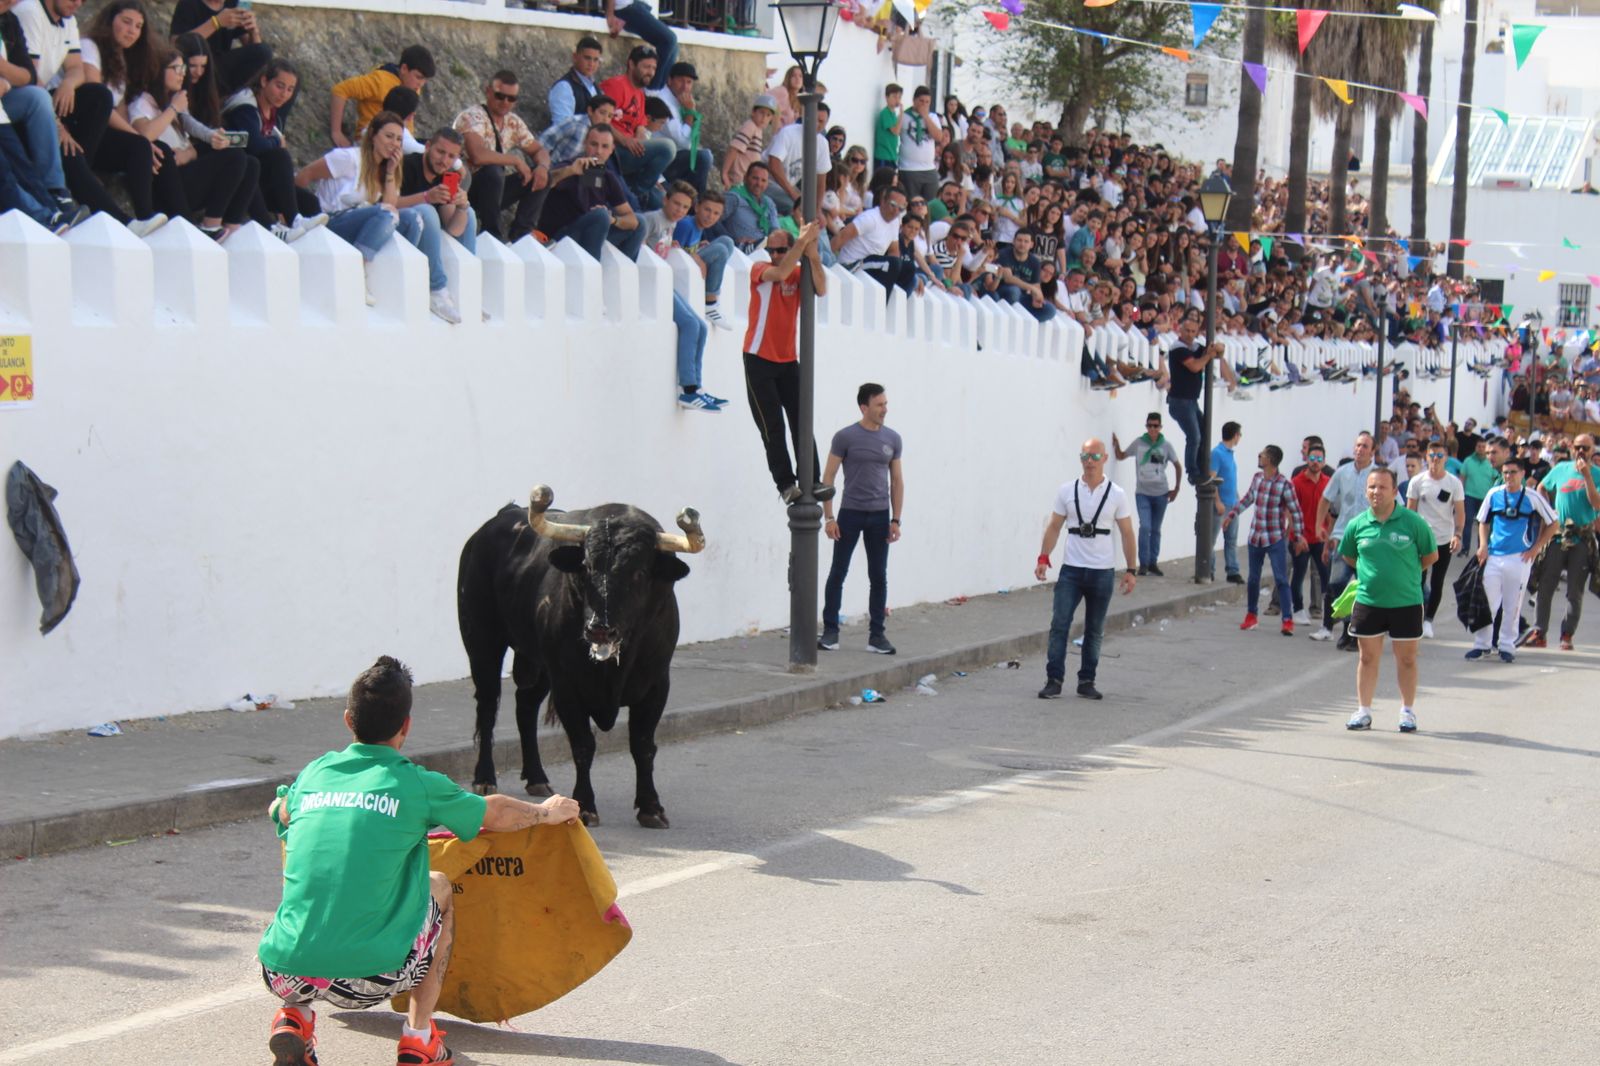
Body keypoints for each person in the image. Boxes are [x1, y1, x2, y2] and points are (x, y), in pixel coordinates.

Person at [258, 655, 581, 1066]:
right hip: (374, 977)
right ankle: (418, 1037)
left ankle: (294, 1019)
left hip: (283, 970)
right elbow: (494, 813)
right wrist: (546, 811)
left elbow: (282, 811)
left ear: (347, 720)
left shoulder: (314, 774)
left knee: (319, 886)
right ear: (406, 726)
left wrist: (280, 805)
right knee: (440, 885)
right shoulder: (414, 783)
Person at [1034, 439, 1138, 700]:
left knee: (1095, 629)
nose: (1089, 460)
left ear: (1104, 459)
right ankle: (1054, 679)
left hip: (1102, 571)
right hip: (1072, 570)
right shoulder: (1067, 491)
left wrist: (1131, 569)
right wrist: (1043, 557)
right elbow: (1054, 526)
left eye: (1094, 456)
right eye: (1084, 455)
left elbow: (1127, 533)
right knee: (1059, 624)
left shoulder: (1117, 494)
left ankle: (1087, 681)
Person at [1337, 467, 1438, 733]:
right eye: (1371, 487)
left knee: (1406, 659)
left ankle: (1407, 712)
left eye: (1382, 487)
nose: (1376, 492)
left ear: (1395, 491)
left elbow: (1430, 556)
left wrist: (1405, 575)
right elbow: (1349, 556)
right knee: (1367, 657)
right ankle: (1363, 711)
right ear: (1365, 491)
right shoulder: (1357, 524)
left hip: (1406, 602)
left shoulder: (1413, 523)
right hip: (1369, 601)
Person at [743, 221, 832, 504]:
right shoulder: (760, 269)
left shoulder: (798, 273)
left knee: (801, 421)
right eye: (772, 250)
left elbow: (821, 288)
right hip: (758, 358)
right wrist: (801, 244)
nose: (776, 255)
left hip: (787, 359)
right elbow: (779, 272)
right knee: (772, 426)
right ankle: (785, 484)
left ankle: (813, 479)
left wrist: (812, 254)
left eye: (782, 249)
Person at [128, 45, 257, 240]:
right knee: (234, 157)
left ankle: (232, 226)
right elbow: (145, 134)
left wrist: (208, 139)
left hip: (186, 171)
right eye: (176, 69)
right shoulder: (143, 103)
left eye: (183, 70)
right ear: (158, 70)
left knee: (251, 163)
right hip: (166, 183)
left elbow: (192, 130)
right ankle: (210, 225)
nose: (182, 75)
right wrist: (173, 108)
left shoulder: (173, 102)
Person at [819, 382, 904, 656]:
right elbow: (828, 477)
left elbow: (897, 481)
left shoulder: (893, 439)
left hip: (880, 516)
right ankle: (830, 631)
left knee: (879, 576)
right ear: (864, 407)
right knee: (838, 572)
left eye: (886, 404)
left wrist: (896, 520)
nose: (885, 409)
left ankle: (877, 636)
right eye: (879, 405)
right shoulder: (845, 437)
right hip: (850, 514)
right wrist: (829, 517)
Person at [638, 180, 726, 411]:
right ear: (665, 200)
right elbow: (637, 249)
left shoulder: (672, 225)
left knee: (702, 326)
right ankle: (687, 389)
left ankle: (696, 387)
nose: (679, 210)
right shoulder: (652, 220)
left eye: (684, 207)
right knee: (689, 324)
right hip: (651, 285)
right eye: (676, 204)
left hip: (665, 282)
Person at [222, 57, 325, 239]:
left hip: (259, 177)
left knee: (310, 202)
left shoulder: (274, 116)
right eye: (280, 86)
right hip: (237, 175)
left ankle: (305, 240)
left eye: (290, 89)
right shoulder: (245, 106)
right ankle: (289, 221)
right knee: (279, 156)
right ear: (264, 81)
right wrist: (277, 142)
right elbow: (253, 144)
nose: (284, 94)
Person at [1468, 458, 1557, 662]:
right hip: (1494, 555)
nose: (1509, 476)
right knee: (1487, 603)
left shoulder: (1532, 497)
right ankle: (1482, 645)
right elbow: (1483, 521)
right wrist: (1482, 546)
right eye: (1506, 472)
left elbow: (1553, 523)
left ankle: (1507, 646)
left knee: (1512, 605)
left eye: (1513, 472)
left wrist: (1536, 548)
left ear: (1522, 474)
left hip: (1519, 558)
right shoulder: (1494, 494)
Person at [455, 70, 550, 243]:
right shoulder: (473, 117)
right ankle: (492, 236)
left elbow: (539, 151)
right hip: (466, 186)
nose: (505, 102)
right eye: (500, 96)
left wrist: (542, 168)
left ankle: (521, 235)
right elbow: (477, 155)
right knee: (493, 171)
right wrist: (515, 160)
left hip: (493, 189)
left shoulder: (513, 122)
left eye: (511, 99)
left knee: (542, 176)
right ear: (488, 91)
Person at [1223, 444, 1305, 635]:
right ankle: (1251, 615)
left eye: (1264, 454)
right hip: (1256, 536)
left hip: (1275, 537)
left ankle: (1287, 619)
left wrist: (1299, 536)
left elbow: (1295, 511)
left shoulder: (1284, 484)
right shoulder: (1257, 478)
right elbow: (1247, 499)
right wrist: (1232, 515)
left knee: (1281, 578)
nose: (1259, 456)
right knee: (1253, 579)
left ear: (1271, 460)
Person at [538, 121, 640, 261]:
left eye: (604, 147)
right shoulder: (571, 165)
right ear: (585, 143)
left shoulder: (608, 177)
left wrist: (614, 220)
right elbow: (546, 182)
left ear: (611, 150)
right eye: (594, 144)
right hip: (560, 237)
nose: (598, 151)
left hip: (591, 232)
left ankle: (615, 275)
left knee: (640, 223)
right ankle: (593, 272)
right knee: (600, 215)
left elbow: (632, 220)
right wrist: (570, 171)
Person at [1534, 433, 1599, 651]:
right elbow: (1541, 487)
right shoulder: (1561, 469)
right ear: (1572, 447)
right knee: (1546, 585)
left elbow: (1597, 504)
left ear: (1592, 451)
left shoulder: (1597, 474)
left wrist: (1587, 476)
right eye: (1578, 446)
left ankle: (1567, 635)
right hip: (1558, 536)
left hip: (1581, 539)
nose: (1581, 451)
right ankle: (1539, 632)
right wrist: (1548, 510)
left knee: (1574, 591)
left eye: (1586, 448)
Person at [1315, 431, 1377, 649]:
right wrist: (1319, 527)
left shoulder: (1379, 475)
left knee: (1365, 587)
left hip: (1371, 540)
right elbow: (1326, 499)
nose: (1360, 450)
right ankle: (1346, 626)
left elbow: (1394, 504)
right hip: (1344, 537)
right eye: (1358, 445)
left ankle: (1357, 633)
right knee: (1337, 584)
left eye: (1365, 446)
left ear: (1373, 451)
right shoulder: (1342, 473)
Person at [598, 44, 672, 209]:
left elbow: (640, 126)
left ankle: (638, 191)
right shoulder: (615, 85)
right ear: (631, 64)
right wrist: (625, 141)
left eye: (653, 68)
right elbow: (601, 120)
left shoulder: (639, 93)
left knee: (661, 203)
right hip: (613, 151)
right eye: (646, 67)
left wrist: (639, 142)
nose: (651, 72)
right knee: (667, 147)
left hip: (630, 150)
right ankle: (637, 192)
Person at [1404, 440, 1466, 639]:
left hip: (1443, 538)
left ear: (1446, 458)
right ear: (1426, 457)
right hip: (1421, 539)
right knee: (1417, 581)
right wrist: (1407, 537)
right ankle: (1415, 618)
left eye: (1440, 456)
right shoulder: (1417, 481)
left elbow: (1460, 512)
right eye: (1432, 455)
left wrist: (1458, 535)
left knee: (1437, 581)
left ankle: (1428, 620)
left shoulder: (1453, 482)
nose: (1436, 460)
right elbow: (1409, 511)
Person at [1112, 413, 1181, 577]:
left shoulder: (1166, 446)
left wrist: (1176, 488)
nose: (1152, 429)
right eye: (1149, 425)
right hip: (1143, 493)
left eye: (1155, 426)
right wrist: (1116, 444)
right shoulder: (1139, 443)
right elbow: (1121, 455)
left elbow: (1178, 466)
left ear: (1160, 427)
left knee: (1156, 529)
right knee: (1145, 527)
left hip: (1161, 494)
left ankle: (1152, 563)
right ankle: (1142, 564)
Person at [329, 43, 432, 147]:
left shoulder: (413, 86)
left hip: (399, 138)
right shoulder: (380, 81)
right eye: (418, 77)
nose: (421, 84)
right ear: (404, 69)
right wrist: (336, 132)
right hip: (371, 139)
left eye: (425, 80)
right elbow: (340, 90)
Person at [398, 126, 475, 255]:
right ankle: (436, 275)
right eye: (440, 152)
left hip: (424, 236)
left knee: (469, 212)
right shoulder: (407, 165)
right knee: (427, 211)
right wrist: (427, 197)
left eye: (451, 156)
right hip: (398, 227)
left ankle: (468, 270)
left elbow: (453, 230)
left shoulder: (445, 177)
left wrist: (462, 206)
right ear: (428, 146)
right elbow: (387, 203)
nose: (444, 161)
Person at [1164, 316, 1222, 485]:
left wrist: (1216, 349)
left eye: (1193, 331)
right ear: (1180, 331)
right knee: (1194, 436)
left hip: (1190, 401)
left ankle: (1201, 467)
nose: (1190, 334)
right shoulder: (1178, 349)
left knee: (1203, 431)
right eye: (1187, 331)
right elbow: (1195, 366)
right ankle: (1193, 472)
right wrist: (1209, 355)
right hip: (1180, 401)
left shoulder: (1194, 347)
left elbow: (1214, 354)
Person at [167, 0, 267, 95]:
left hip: (221, 67)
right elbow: (176, 44)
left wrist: (253, 31)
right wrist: (216, 22)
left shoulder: (232, 3)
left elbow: (255, 50)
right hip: (196, 67)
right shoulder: (189, 4)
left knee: (265, 53)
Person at [671, 189, 736, 329]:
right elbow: (674, 253)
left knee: (727, 241)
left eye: (716, 213)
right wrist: (695, 256)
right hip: (678, 274)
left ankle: (711, 288)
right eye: (707, 210)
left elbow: (689, 248)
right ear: (697, 207)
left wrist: (699, 250)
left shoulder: (699, 228)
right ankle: (710, 304)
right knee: (720, 250)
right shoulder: (686, 225)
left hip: (693, 263)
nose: (710, 216)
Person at [648, 60, 712, 196]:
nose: (685, 87)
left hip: (675, 156)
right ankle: (697, 204)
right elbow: (684, 142)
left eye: (689, 82)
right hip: (660, 160)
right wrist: (690, 114)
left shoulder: (680, 101)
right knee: (703, 157)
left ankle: (692, 203)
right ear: (670, 80)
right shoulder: (663, 101)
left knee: (703, 157)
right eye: (681, 81)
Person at [1290, 442, 1332, 630]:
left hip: (1320, 538)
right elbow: (1291, 511)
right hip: (1301, 537)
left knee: (1326, 576)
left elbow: (1331, 512)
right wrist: (1298, 536)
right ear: (1306, 459)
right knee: (1298, 574)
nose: (1315, 462)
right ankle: (1298, 609)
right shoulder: (1297, 482)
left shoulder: (1328, 483)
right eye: (1312, 458)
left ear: (1324, 462)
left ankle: (1329, 613)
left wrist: (1329, 536)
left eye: (1319, 459)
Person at [763, 99, 830, 217]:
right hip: (768, 182)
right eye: (815, 119)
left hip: (788, 187)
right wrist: (793, 194)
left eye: (821, 121)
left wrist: (818, 209)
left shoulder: (823, 143)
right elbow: (773, 164)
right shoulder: (788, 133)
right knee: (799, 209)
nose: (817, 124)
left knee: (817, 217)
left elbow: (821, 181)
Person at [603, 0, 675, 93]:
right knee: (669, 40)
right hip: (625, 8)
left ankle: (658, 91)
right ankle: (651, 91)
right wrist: (610, 14)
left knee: (673, 46)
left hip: (639, 6)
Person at [717, 159, 779, 252]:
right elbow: (713, 222)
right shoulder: (734, 197)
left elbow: (775, 230)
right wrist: (732, 240)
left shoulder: (769, 203)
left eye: (763, 180)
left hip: (765, 250)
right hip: (738, 251)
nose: (759, 184)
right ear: (745, 178)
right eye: (755, 178)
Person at [896, 86, 944, 203]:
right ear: (914, 100)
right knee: (912, 203)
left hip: (929, 168)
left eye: (927, 102)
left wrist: (925, 117)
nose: (924, 104)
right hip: (908, 168)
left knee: (930, 204)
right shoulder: (904, 116)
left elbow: (938, 137)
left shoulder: (932, 117)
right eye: (921, 101)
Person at [721, 91, 773, 191]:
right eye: (761, 112)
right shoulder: (750, 126)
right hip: (738, 179)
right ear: (753, 112)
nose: (764, 118)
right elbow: (734, 149)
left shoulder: (758, 130)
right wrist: (725, 173)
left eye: (768, 115)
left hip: (747, 180)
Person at [1211, 420, 1243, 583]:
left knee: (1231, 540)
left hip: (1232, 503)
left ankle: (1232, 570)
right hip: (1222, 503)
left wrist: (1237, 498)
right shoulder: (1217, 453)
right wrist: (1217, 501)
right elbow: (1212, 477)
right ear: (1235, 435)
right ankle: (1209, 569)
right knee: (1211, 539)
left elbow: (1231, 478)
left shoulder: (1230, 454)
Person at [546, 35, 601, 127]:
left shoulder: (594, 87)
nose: (591, 64)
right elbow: (563, 127)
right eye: (587, 58)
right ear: (575, 57)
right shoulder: (564, 87)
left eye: (595, 60)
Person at [873, 82, 901, 173]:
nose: (897, 100)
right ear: (887, 97)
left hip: (892, 156)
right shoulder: (885, 113)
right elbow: (895, 131)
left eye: (899, 97)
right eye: (894, 97)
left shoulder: (893, 115)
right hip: (883, 156)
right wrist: (902, 114)